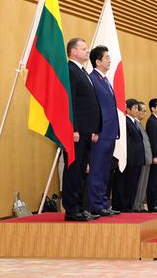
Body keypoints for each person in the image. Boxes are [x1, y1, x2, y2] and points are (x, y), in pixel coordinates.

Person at [64, 38, 101, 221]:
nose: (88, 51)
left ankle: (81, 206)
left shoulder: (83, 71)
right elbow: (69, 102)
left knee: (82, 170)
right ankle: (71, 209)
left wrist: (94, 129)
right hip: (76, 131)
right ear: (73, 51)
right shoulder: (70, 70)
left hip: (87, 131)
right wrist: (74, 128)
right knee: (73, 169)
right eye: (84, 49)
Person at [88, 46, 120, 216]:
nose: (110, 60)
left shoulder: (105, 80)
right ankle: (96, 204)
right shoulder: (92, 79)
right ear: (98, 61)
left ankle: (104, 203)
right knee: (97, 169)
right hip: (99, 133)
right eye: (107, 57)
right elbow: (93, 108)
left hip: (109, 133)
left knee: (106, 169)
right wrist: (94, 129)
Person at [124, 99, 146, 212]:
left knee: (135, 183)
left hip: (138, 158)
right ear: (127, 109)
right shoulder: (125, 121)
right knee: (130, 182)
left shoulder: (135, 122)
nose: (137, 110)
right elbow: (128, 143)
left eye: (138, 108)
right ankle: (127, 206)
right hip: (132, 159)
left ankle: (131, 205)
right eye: (135, 108)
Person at [132, 101, 153, 212]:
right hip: (141, 158)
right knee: (139, 183)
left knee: (143, 184)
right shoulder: (135, 124)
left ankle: (140, 204)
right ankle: (136, 205)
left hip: (146, 157)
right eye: (143, 111)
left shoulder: (139, 124)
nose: (145, 113)